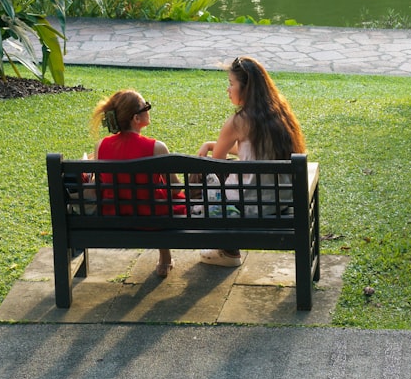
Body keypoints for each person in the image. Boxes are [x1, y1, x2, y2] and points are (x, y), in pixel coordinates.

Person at [196, 55, 306, 267]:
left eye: (231, 84)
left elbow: (215, 163)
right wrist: (211, 144)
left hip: (251, 205)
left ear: (245, 88)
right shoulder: (280, 115)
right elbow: (256, 152)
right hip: (281, 200)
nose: (228, 90)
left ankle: (227, 249)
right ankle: (228, 248)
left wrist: (211, 149)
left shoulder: (238, 122)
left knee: (206, 178)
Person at [91, 89, 186, 278]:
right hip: (153, 218)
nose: (149, 109)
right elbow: (175, 189)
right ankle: (165, 256)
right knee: (163, 201)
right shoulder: (156, 148)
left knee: (154, 199)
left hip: (115, 216)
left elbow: (97, 187)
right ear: (136, 118)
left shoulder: (101, 146)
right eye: (146, 106)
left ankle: (165, 257)